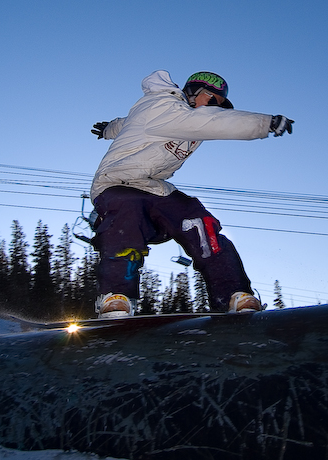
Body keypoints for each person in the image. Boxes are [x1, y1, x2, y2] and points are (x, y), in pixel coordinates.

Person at [90, 70, 294, 319]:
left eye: (218, 107)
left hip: (154, 187)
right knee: (127, 220)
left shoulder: (174, 113)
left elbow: (128, 122)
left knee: (198, 220)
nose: (213, 110)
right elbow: (210, 122)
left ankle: (232, 293)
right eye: (211, 102)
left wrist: (109, 129)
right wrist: (263, 123)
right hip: (118, 182)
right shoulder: (165, 106)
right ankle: (115, 295)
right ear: (193, 93)